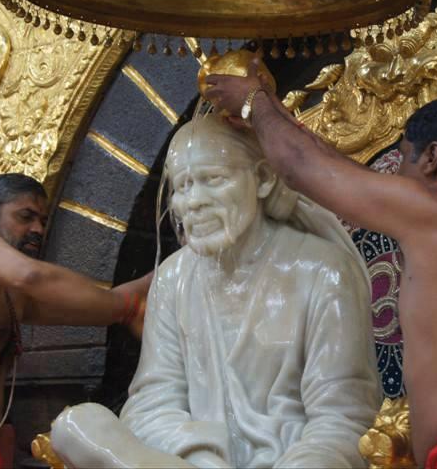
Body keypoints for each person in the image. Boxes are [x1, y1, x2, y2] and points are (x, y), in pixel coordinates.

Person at [204, 62, 437, 468]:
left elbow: (301, 167)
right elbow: (338, 170)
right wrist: (275, 112)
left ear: (432, 158)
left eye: (402, 159)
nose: (396, 177)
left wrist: (252, 100)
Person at [49, 113, 380, 469]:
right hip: (196, 462)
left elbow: (341, 420)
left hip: (291, 460)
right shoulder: (173, 278)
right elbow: (152, 403)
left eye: (212, 180)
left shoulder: (324, 271)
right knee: (75, 425)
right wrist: (205, 458)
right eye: (183, 186)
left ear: (264, 179)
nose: (192, 202)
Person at [0, 173, 151, 468]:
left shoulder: (9, 298)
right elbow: (32, 275)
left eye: (43, 221)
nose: (38, 230)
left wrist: (166, 271)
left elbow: (104, 309)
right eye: (25, 217)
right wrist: (125, 306)